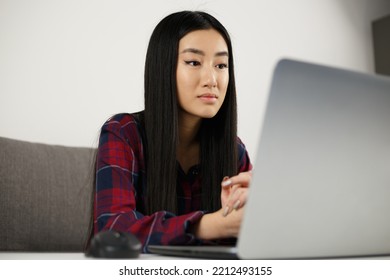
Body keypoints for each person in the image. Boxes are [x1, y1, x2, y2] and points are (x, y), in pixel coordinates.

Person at [92, 11, 252, 253]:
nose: (212, 79)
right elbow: (112, 229)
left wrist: (264, 209)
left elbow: (251, 242)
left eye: (221, 65)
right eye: (193, 62)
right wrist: (212, 225)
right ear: (163, 69)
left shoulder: (234, 151)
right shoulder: (123, 134)